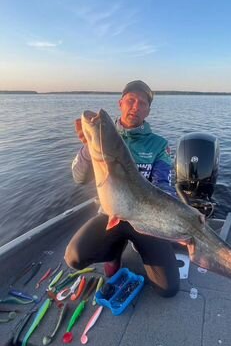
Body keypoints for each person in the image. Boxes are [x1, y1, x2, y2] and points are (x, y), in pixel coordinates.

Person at [65, 80, 180, 297]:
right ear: (120, 103)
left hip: (145, 219)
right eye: (131, 100)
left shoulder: (159, 144)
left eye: (142, 103)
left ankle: (138, 244)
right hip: (109, 214)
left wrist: (172, 220)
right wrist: (88, 148)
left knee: (169, 288)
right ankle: (114, 251)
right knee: (74, 257)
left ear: (148, 111)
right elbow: (79, 178)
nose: (135, 106)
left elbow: (163, 185)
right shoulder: (101, 135)